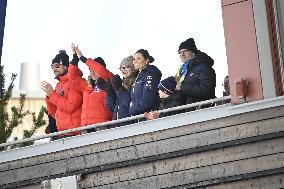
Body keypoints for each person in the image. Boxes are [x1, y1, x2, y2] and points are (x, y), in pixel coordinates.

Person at [69, 44, 113, 129]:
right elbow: (72, 77)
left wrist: (82, 58)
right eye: (90, 70)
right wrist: (75, 58)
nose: (92, 73)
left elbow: (101, 70)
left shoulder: (109, 80)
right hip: (85, 127)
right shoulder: (86, 85)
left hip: (101, 126)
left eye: (94, 70)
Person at [41, 50, 83, 136]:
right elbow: (53, 113)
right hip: (62, 133)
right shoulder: (58, 85)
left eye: (56, 66)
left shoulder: (74, 81)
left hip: (76, 133)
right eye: (52, 66)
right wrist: (49, 96)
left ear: (65, 66)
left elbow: (71, 106)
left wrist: (52, 94)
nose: (54, 69)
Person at [176, 38, 216, 106]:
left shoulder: (204, 67)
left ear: (193, 52)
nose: (182, 54)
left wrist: (183, 87)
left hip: (200, 111)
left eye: (185, 51)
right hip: (186, 111)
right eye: (180, 52)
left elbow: (207, 91)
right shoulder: (181, 70)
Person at [99, 55, 138, 121]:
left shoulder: (136, 83)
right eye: (121, 68)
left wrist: (120, 89)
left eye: (126, 66)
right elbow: (111, 107)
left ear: (133, 68)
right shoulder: (121, 83)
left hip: (129, 124)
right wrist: (109, 92)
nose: (123, 69)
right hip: (117, 124)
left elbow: (130, 104)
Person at [129, 49, 162, 116]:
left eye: (138, 58)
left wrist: (131, 110)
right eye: (134, 59)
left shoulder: (150, 74)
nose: (135, 61)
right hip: (140, 115)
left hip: (150, 117)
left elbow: (147, 101)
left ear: (146, 61)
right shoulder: (139, 76)